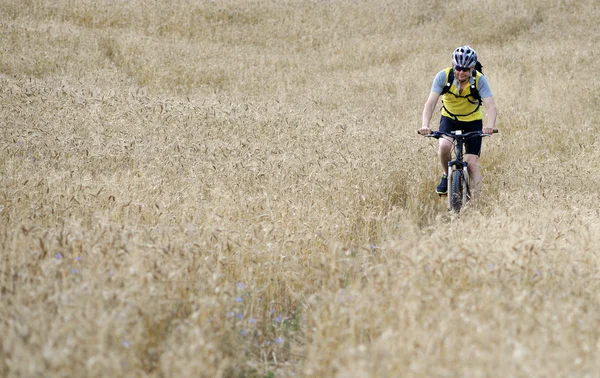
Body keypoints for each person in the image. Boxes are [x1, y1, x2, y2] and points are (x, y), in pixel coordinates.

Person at [419, 45, 497, 197]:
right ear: (454, 66)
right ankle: (446, 175)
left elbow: (491, 107)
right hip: (449, 119)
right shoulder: (443, 76)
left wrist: (489, 126)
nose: (461, 72)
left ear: (472, 68)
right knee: (444, 146)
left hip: (472, 121)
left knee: (472, 164)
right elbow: (430, 103)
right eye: (458, 68)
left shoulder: (480, 80)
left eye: (466, 69)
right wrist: (425, 125)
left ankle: (477, 204)